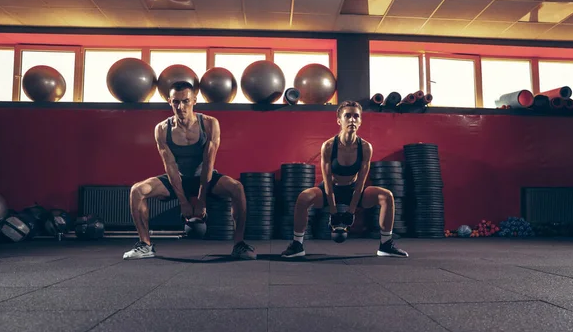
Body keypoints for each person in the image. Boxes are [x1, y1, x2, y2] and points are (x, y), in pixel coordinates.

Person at [123, 81, 256, 260]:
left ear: (194, 101)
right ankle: (145, 245)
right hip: (177, 178)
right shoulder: (162, 129)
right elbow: (170, 166)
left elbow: (209, 163)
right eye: (176, 102)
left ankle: (239, 244)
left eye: (185, 101)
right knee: (137, 190)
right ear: (169, 101)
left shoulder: (209, 124)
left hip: (205, 177)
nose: (181, 107)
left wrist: (201, 200)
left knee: (237, 188)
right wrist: (183, 202)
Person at [281, 100, 408, 258]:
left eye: (356, 116)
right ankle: (297, 245)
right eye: (347, 116)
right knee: (303, 197)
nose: (352, 120)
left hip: (354, 189)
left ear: (360, 121)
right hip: (330, 189)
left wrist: (351, 211)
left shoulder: (365, 147)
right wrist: (333, 213)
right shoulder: (328, 146)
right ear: (339, 120)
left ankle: (386, 244)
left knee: (386, 196)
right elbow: (327, 181)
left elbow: (361, 181)